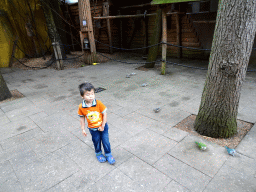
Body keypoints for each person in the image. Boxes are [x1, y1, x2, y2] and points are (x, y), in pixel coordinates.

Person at [78, 82, 115, 164]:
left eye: (92, 94)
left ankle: (108, 154)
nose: (91, 96)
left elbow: (104, 114)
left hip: (103, 127)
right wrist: (83, 128)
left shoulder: (98, 103)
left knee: (106, 141)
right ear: (82, 96)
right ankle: (98, 154)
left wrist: (103, 125)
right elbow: (82, 118)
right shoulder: (81, 107)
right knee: (96, 141)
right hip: (93, 129)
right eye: (87, 94)